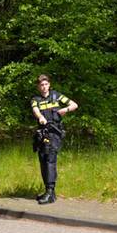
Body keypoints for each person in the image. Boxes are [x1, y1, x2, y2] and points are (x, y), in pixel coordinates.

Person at [30, 74, 77, 204]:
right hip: (43, 133)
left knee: (50, 160)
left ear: (49, 85)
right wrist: (40, 117)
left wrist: (65, 110)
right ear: (38, 86)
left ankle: (50, 192)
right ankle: (49, 191)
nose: (44, 87)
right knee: (43, 160)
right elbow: (35, 110)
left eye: (46, 84)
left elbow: (74, 105)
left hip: (54, 133)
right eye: (41, 85)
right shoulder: (35, 99)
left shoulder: (57, 96)